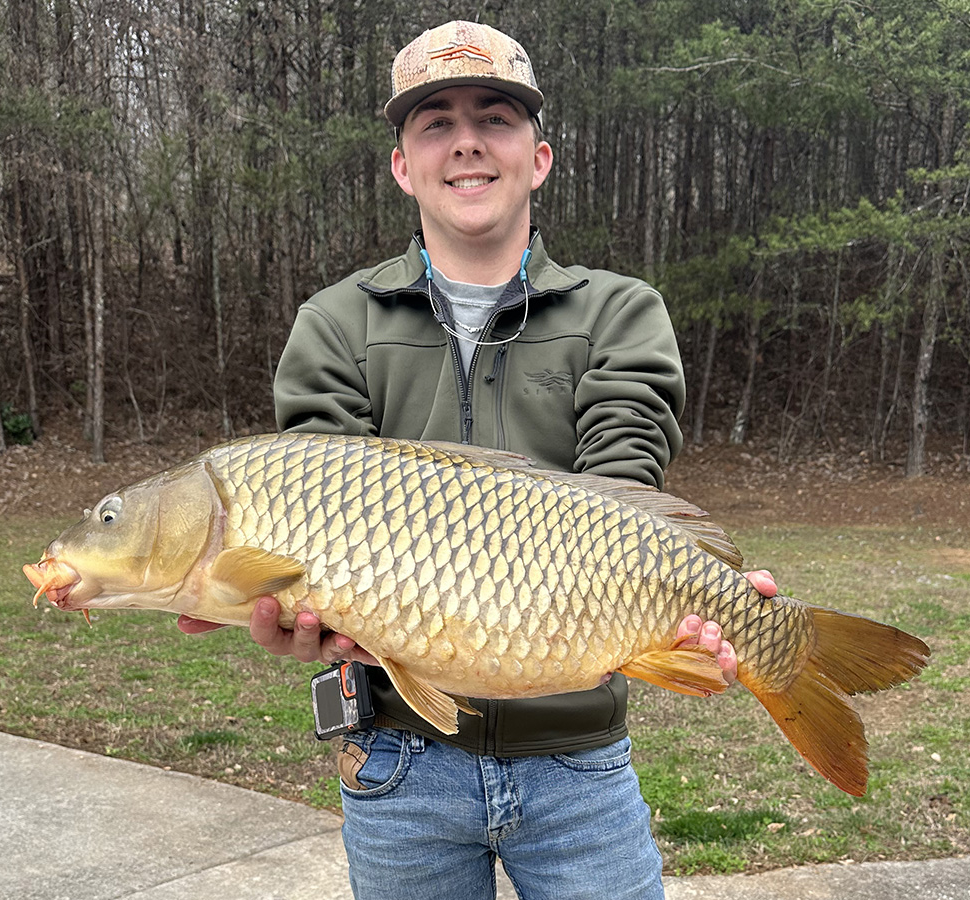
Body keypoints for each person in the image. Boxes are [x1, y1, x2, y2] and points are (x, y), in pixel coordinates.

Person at [179, 20, 776, 899]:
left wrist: (699, 599)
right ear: (402, 165)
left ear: (537, 156)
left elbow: (623, 488)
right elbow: (309, 506)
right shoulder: (336, 325)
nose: (466, 141)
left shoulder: (619, 311)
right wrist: (284, 606)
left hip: (579, 764)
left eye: (494, 117)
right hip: (394, 761)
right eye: (435, 122)